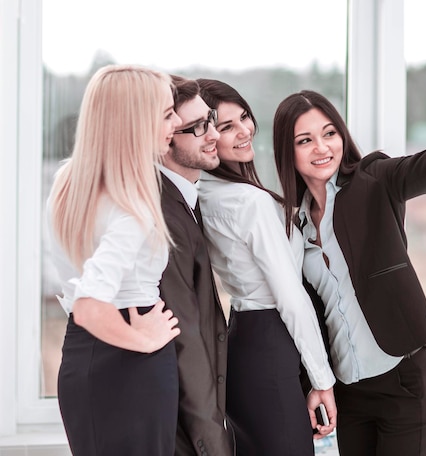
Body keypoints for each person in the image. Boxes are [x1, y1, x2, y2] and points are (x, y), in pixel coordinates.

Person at [272, 81, 426, 456]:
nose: (322, 147)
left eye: (329, 133)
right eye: (305, 140)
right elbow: (308, 316)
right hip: (350, 392)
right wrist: (314, 384)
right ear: (287, 152)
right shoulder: (295, 228)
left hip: (405, 382)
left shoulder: (375, 179)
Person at [195, 78, 337, 456]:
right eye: (226, 126)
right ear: (207, 134)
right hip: (271, 337)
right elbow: (290, 296)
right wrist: (322, 380)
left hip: (242, 339)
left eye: (244, 116)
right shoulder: (248, 201)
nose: (244, 131)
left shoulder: (204, 191)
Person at [47, 64, 182, 456]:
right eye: (166, 114)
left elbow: (82, 308)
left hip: (81, 358)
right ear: (136, 122)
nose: (173, 124)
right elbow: (91, 305)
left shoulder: (68, 181)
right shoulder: (133, 201)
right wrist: (144, 340)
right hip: (130, 360)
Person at [158, 75, 233, 455]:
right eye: (198, 127)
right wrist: (212, 442)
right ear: (165, 138)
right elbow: (184, 337)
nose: (214, 134)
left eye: (212, 119)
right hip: (177, 429)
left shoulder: (186, 196)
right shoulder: (165, 215)